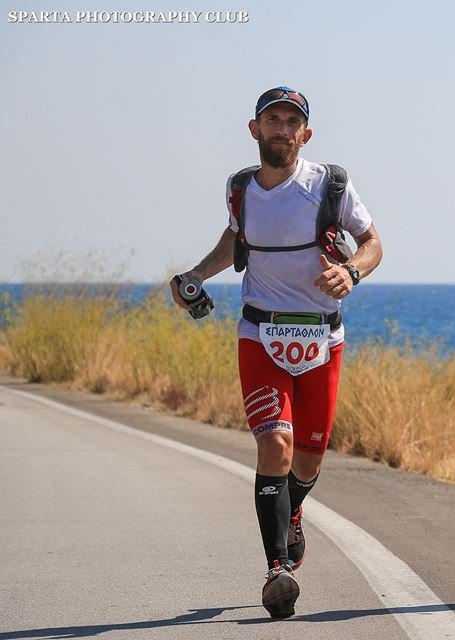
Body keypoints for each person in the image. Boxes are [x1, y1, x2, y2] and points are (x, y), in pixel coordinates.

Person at [170, 86, 383, 618]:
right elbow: (235, 239)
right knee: (277, 447)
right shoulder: (240, 188)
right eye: (274, 120)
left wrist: (352, 270)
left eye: (293, 122)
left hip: (322, 337)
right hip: (259, 335)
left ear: (304, 135)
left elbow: (374, 241)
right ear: (254, 129)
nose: (283, 129)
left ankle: (292, 513)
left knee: (309, 458)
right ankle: (276, 571)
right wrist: (195, 275)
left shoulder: (330, 185)